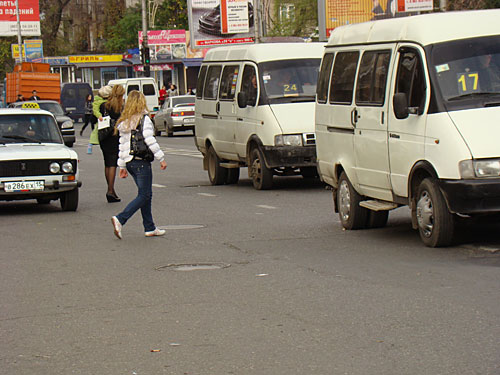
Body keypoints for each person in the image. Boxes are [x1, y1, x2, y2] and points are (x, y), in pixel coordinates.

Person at [111, 90, 167, 239]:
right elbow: (149, 140)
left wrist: (122, 166)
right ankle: (120, 219)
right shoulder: (144, 119)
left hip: (130, 162)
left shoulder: (125, 121)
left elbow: (122, 145)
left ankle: (149, 227)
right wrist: (161, 157)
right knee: (144, 194)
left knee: (146, 194)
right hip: (141, 161)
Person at [99, 84, 125, 203]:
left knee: (107, 163)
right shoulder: (119, 107)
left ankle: (111, 189)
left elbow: (95, 119)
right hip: (114, 136)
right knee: (113, 163)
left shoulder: (104, 105)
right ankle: (110, 190)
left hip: (104, 136)